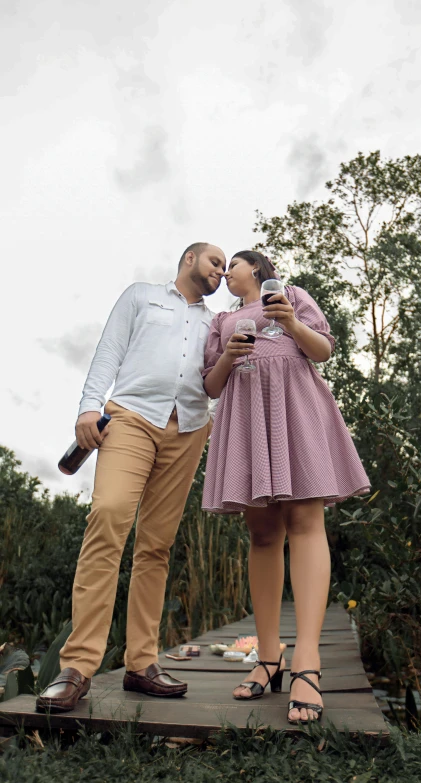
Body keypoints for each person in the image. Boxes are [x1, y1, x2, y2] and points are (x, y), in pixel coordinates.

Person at [36, 242, 226, 714]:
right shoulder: (141, 296)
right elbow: (109, 350)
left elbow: (216, 380)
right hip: (132, 418)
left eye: (225, 267)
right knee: (107, 516)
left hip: (189, 428)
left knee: (157, 544)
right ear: (189, 259)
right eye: (214, 262)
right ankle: (78, 666)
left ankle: (141, 663)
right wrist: (88, 406)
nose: (221, 271)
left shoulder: (215, 323)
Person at [202, 250, 370, 724]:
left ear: (256, 268)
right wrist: (230, 356)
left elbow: (322, 351)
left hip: (295, 409)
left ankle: (307, 663)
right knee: (262, 534)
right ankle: (269, 657)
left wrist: (292, 323)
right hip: (247, 416)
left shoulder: (291, 296)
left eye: (231, 264)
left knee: (303, 522)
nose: (225, 273)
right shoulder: (223, 320)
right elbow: (212, 387)